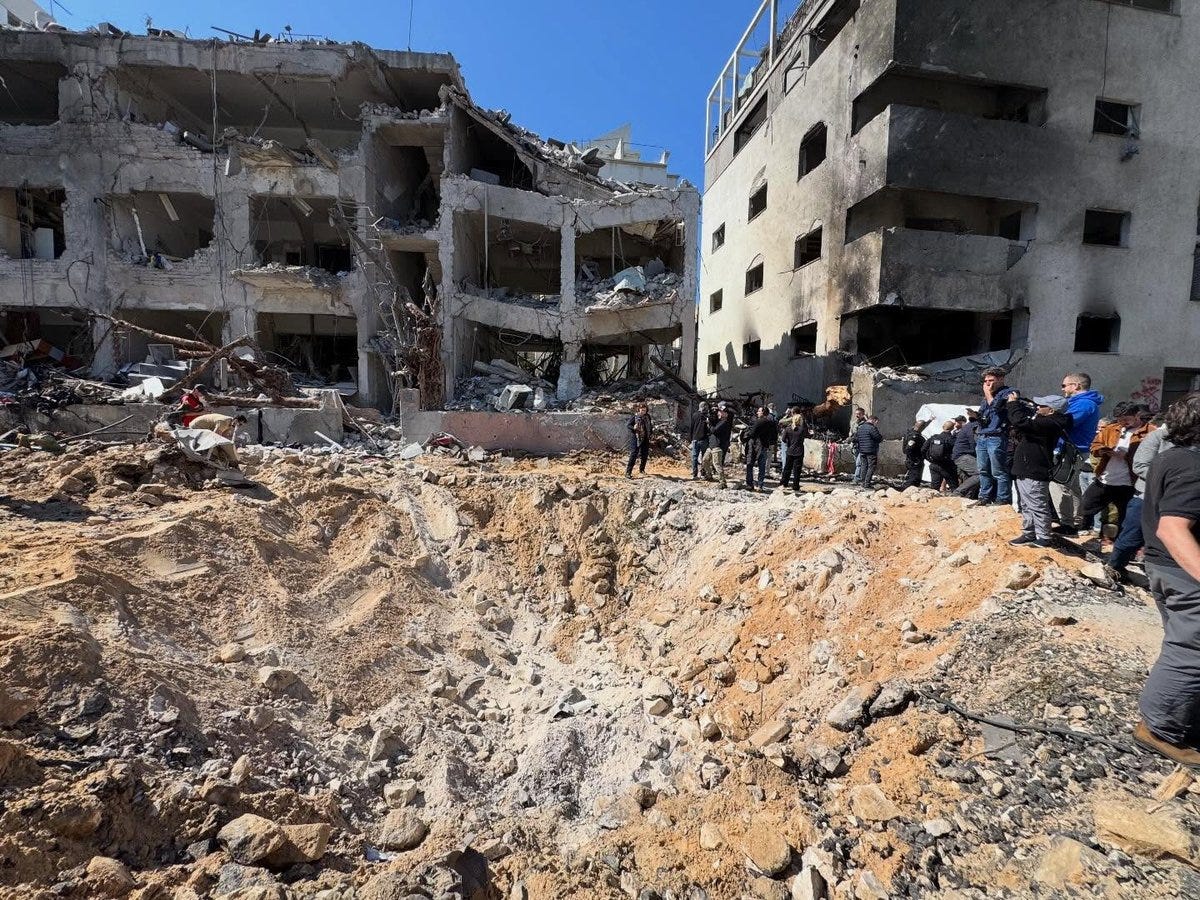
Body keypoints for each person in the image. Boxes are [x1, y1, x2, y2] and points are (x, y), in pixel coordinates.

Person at [1134, 393, 1200, 767]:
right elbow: (1174, 529)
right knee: (1192, 650)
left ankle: (1183, 717)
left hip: (1164, 566)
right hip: (1184, 571)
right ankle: (1160, 729)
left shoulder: (1170, 457)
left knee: (1183, 644)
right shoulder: (1194, 466)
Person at [1106, 420, 1172, 583]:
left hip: (1178, 501)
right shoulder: (1158, 437)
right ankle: (1114, 568)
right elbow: (1140, 465)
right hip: (1147, 497)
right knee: (1131, 537)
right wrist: (1172, 481)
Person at [1079, 401, 1154, 538]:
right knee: (1086, 504)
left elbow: (1150, 459)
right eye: (1120, 420)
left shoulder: (1150, 433)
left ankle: (1118, 542)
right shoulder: (1111, 429)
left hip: (1129, 483)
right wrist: (1103, 451)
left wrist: (1126, 456)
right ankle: (1096, 531)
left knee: (1125, 517)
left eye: (1126, 419)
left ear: (1137, 415)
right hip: (1106, 478)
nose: (1123, 423)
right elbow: (1095, 445)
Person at [1006, 393, 1072, 546]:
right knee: (1026, 505)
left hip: (1035, 470)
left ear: (1051, 411)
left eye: (1042, 406)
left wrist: (1013, 404)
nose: (1037, 407)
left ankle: (1044, 537)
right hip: (1025, 468)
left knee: (1037, 504)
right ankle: (1029, 533)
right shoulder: (1044, 420)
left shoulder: (1050, 424)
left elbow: (1020, 422)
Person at [1050, 373, 1105, 533]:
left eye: (1064, 385)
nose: (1063, 389)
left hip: (1072, 449)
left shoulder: (1084, 404)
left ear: (1076, 386)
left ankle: (1068, 523)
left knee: (1058, 483)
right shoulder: (1082, 403)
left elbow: (1066, 422)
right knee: (1072, 486)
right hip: (1074, 449)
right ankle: (1076, 521)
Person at [975, 367, 1017, 506]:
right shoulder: (986, 396)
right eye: (986, 381)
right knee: (983, 470)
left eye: (991, 380)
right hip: (983, 435)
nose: (987, 383)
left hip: (997, 436)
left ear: (1000, 379)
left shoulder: (1009, 392)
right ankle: (984, 496)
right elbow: (983, 413)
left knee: (998, 470)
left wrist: (988, 394)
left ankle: (1003, 498)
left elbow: (996, 408)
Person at [744, 406, 778, 491]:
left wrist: (747, 433)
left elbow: (752, 433)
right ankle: (760, 485)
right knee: (762, 466)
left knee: (750, 463)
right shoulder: (771, 423)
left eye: (759, 411)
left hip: (755, 444)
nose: (757, 413)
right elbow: (774, 435)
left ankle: (749, 484)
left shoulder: (759, 421)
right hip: (765, 445)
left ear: (763, 412)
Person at [779, 407, 810, 492]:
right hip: (799, 451)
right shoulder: (802, 430)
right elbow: (807, 435)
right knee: (797, 470)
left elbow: (783, 439)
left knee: (787, 468)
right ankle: (795, 486)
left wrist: (789, 442)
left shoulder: (788, 429)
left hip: (790, 450)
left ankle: (784, 483)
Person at [924, 421, 960, 491]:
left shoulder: (934, 437)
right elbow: (957, 452)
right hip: (947, 466)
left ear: (943, 427)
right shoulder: (953, 439)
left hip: (934, 465)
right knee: (954, 487)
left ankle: (933, 500)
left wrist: (930, 459)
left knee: (934, 487)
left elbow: (923, 450)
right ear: (952, 428)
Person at [703, 405, 733, 488]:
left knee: (717, 464)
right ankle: (709, 475)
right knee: (704, 461)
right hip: (711, 445)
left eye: (721, 412)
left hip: (717, 446)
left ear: (725, 414)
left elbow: (714, 430)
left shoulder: (725, 422)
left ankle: (722, 482)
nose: (719, 413)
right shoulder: (718, 420)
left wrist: (709, 423)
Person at [953, 409, 980, 498]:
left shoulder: (968, 426)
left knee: (971, 478)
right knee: (980, 473)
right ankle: (958, 492)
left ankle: (967, 497)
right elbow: (974, 444)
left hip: (961, 456)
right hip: (963, 456)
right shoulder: (973, 427)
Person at [852, 415, 883, 489]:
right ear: (873, 420)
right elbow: (878, 438)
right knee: (871, 467)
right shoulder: (872, 428)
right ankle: (867, 483)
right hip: (871, 451)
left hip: (862, 450)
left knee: (863, 466)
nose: (876, 424)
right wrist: (881, 439)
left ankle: (863, 482)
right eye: (876, 422)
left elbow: (855, 439)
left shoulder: (860, 427)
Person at [625, 402, 652, 477]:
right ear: (638, 409)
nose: (643, 412)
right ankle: (628, 472)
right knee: (634, 454)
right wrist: (633, 428)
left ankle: (642, 469)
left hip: (645, 438)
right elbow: (628, 425)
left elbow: (650, 425)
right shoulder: (635, 417)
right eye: (642, 410)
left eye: (645, 410)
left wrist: (650, 433)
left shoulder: (647, 417)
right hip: (636, 438)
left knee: (645, 454)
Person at [899, 420, 928, 491]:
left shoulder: (909, 433)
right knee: (913, 479)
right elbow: (908, 449)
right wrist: (914, 460)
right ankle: (904, 490)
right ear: (922, 427)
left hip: (914, 460)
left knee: (916, 479)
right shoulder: (914, 436)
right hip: (914, 460)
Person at [689, 401, 710, 480]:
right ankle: (703, 474)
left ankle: (694, 474)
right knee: (704, 458)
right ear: (704, 407)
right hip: (704, 439)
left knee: (695, 457)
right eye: (706, 407)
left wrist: (691, 438)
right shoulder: (706, 416)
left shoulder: (694, 415)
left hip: (695, 439)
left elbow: (691, 427)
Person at [849, 407, 867, 484]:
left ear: (863, 415)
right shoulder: (854, 423)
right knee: (858, 462)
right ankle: (863, 478)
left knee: (859, 463)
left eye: (859, 414)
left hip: (862, 446)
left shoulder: (866, 424)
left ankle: (857, 479)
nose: (857, 416)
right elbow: (850, 433)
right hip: (854, 446)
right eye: (856, 414)